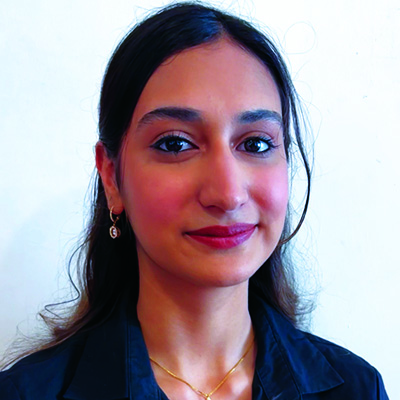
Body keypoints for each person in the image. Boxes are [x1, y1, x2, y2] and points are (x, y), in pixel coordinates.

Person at [0, 2, 389, 399]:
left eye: (256, 143)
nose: (227, 194)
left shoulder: (358, 388)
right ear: (112, 177)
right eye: (175, 144)